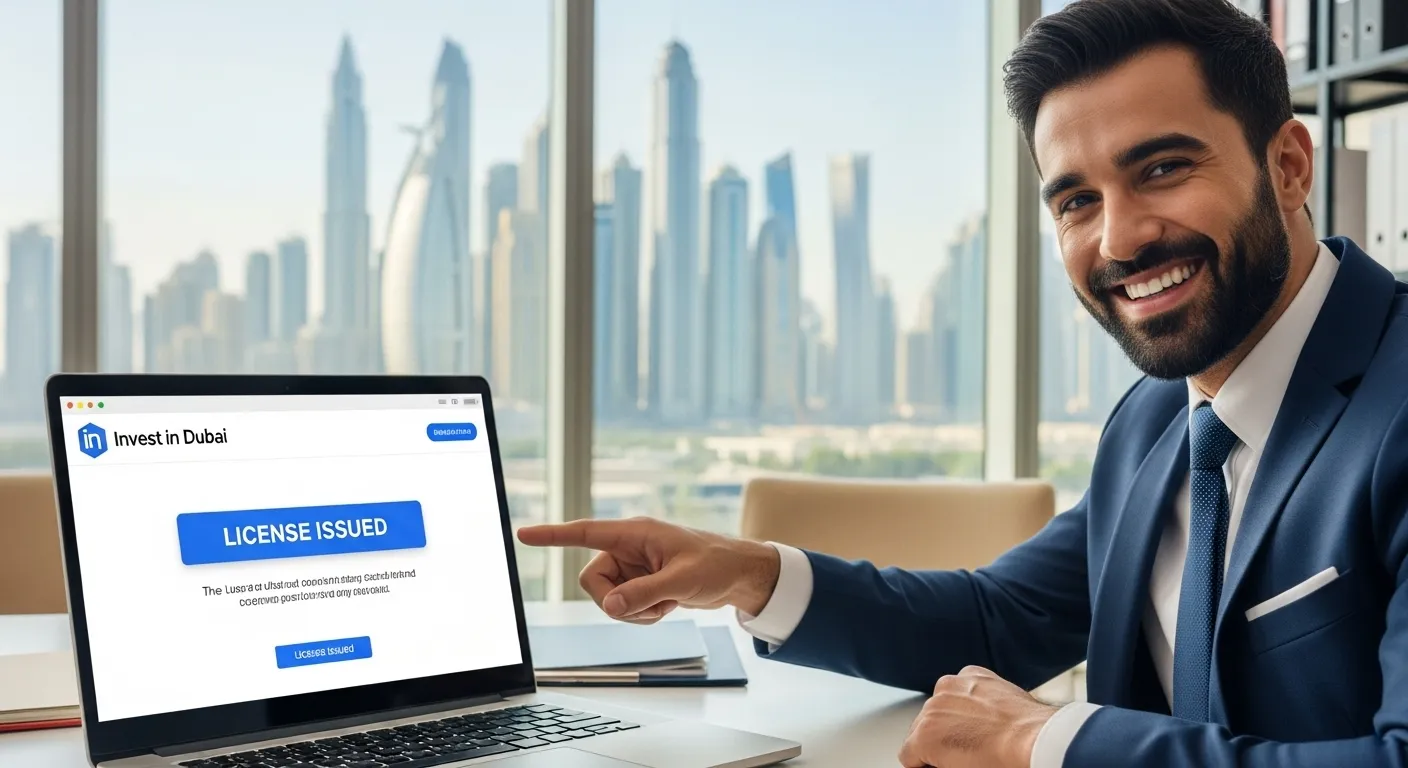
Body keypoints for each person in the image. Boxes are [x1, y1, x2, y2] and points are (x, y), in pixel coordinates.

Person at [519, 0, 1408, 765]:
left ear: (1289, 166)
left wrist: (1043, 741)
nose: (1119, 241)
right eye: (1076, 201)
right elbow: (997, 620)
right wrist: (749, 573)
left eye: (1163, 169)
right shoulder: (1156, 423)